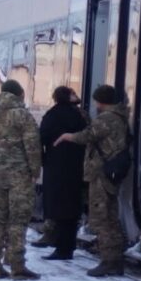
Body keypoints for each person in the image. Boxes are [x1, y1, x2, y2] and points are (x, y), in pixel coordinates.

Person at [54, 85, 130, 277]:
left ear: (102, 101)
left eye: (97, 100)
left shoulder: (107, 119)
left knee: (102, 219)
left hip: (101, 175)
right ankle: (115, 260)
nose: (95, 104)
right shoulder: (119, 117)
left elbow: (87, 135)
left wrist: (67, 136)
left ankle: (109, 261)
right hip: (109, 173)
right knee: (110, 217)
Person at [0, 80, 42, 280]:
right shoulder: (22, 116)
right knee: (17, 220)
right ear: (20, 94)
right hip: (19, 175)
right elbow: (32, 146)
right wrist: (35, 171)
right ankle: (17, 265)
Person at [39, 86, 87, 260]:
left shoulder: (52, 115)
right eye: (73, 93)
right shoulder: (79, 115)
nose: (76, 95)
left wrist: (43, 160)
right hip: (76, 167)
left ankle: (62, 248)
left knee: (59, 208)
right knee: (71, 209)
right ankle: (67, 247)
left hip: (56, 167)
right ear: (67, 97)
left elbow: (41, 138)